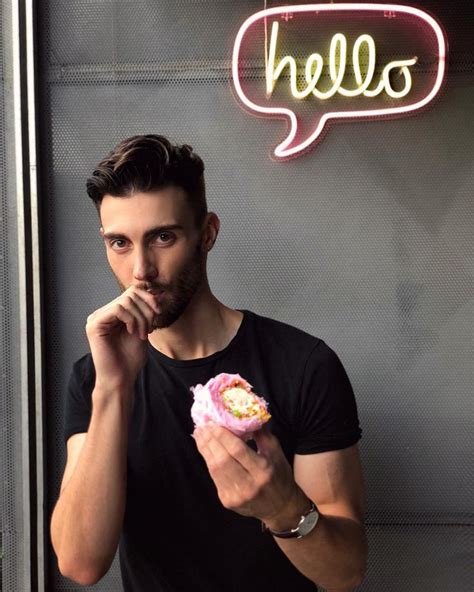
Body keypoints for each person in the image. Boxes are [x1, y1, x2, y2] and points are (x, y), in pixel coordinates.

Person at [50, 134, 368, 591]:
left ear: (208, 234)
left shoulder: (304, 364)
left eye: (163, 237)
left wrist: (281, 509)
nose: (141, 269)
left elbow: (346, 572)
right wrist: (113, 390)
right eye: (119, 242)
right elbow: (80, 563)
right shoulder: (95, 378)